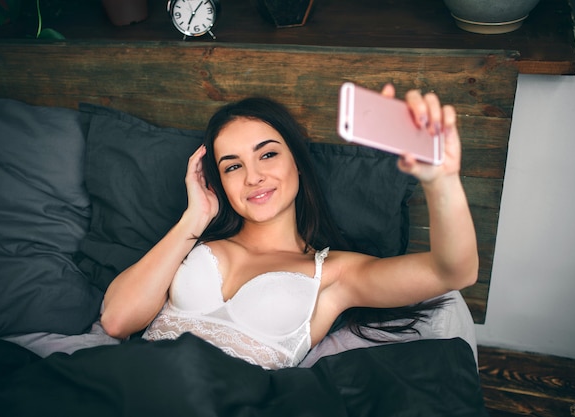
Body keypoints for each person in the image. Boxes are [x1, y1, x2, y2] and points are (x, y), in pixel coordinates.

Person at [100, 85, 478, 370]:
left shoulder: (333, 273)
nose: (253, 177)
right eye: (233, 166)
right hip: (133, 384)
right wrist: (193, 218)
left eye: (267, 154)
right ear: (218, 181)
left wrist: (440, 181)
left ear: (296, 161)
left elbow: (453, 271)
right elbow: (117, 321)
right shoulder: (195, 243)